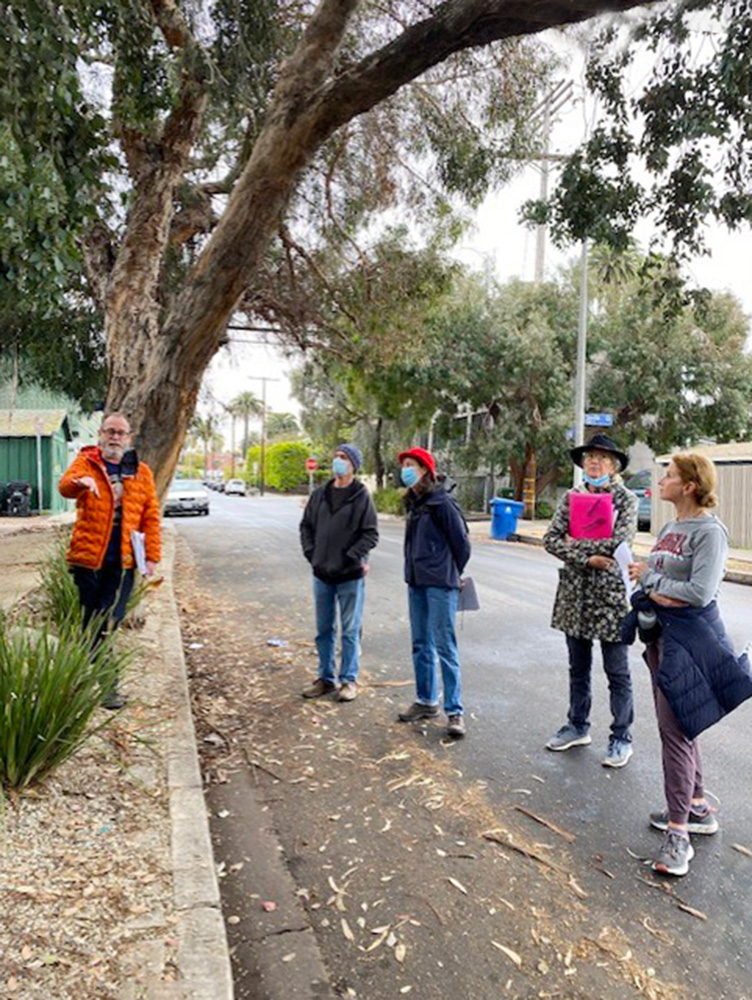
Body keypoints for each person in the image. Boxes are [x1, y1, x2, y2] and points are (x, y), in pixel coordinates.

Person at [627, 453, 752, 876]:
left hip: (691, 640)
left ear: (690, 486)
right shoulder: (670, 527)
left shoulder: (710, 532)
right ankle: (697, 807)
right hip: (661, 634)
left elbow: (698, 592)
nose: (661, 480)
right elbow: (663, 582)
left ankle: (678, 835)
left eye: (670, 475)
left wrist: (651, 580)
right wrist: (650, 578)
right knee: (683, 720)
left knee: (674, 731)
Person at [543, 433, 638, 767]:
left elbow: (618, 544)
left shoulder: (625, 500)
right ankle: (577, 725)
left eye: (601, 458)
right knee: (577, 668)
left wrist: (575, 544)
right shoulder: (572, 497)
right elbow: (551, 540)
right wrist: (586, 557)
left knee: (618, 671)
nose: (594, 463)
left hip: (611, 598)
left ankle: (621, 736)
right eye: (589, 458)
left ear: (613, 466)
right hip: (575, 596)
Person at [59, 411, 161, 709]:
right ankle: (104, 687)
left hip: (123, 562)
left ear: (128, 439)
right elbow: (65, 486)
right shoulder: (86, 461)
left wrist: (152, 556)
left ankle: (94, 681)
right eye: (110, 431)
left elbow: (150, 517)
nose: (114, 437)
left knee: (106, 621)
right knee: (92, 622)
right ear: (100, 435)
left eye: (120, 432)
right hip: (87, 560)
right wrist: (82, 482)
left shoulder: (141, 472)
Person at [397, 447, 471, 739]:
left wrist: (449, 571)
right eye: (404, 465)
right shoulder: (414, 502)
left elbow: (462, 545)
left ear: (425, 470)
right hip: (416, 581)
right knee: (420, 643)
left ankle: (455, 711)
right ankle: (426, 700)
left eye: (411, 465)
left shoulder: (442, 503)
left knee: (444, 646)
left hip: (440, 583)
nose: (406, 469)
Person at [299, 444, 379, 702]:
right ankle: (325, 678)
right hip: (322, 573)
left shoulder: (361, 496)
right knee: (324, 629)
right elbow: (306, 526)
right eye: (336, 457)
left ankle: (349, 680)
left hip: (349, 576)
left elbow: (370, 533)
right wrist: (313, 554)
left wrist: (352, 556)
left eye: (344, 458)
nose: (338, 461)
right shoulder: (320, 494)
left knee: (350, 631)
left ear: (354, 465)